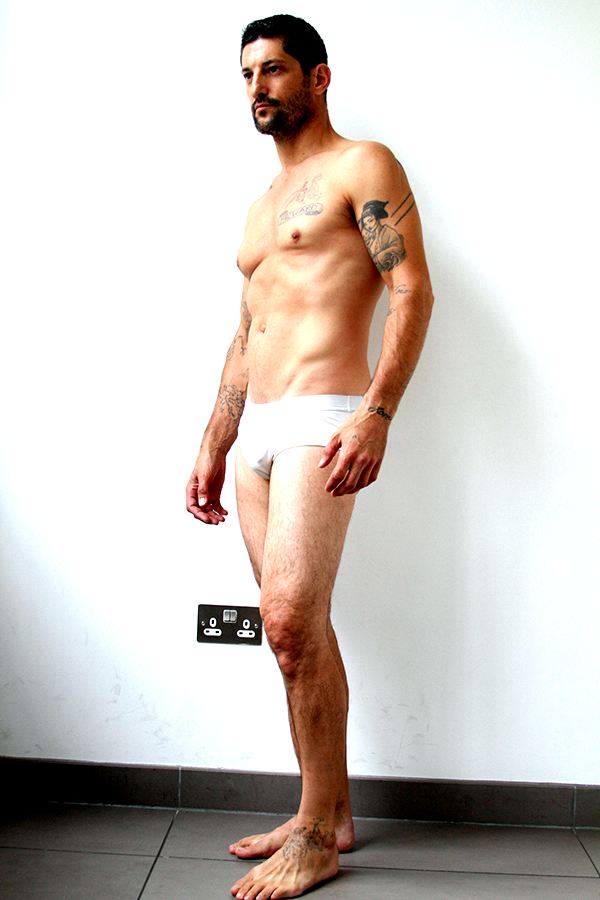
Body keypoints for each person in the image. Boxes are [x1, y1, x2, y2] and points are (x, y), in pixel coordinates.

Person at [186, 14, 434, 899]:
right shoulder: (260, 207)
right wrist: (214, 440)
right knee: (296, 633)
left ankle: (319, 840)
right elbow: (245, 331)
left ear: (318, 77)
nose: (258, 88)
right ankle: (325, 812)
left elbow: (411, 289)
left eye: (275, 70)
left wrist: (377, 413)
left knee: (291, 620)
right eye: (247, 74)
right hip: (256, 430)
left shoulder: (364, 165)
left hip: (323, 418)